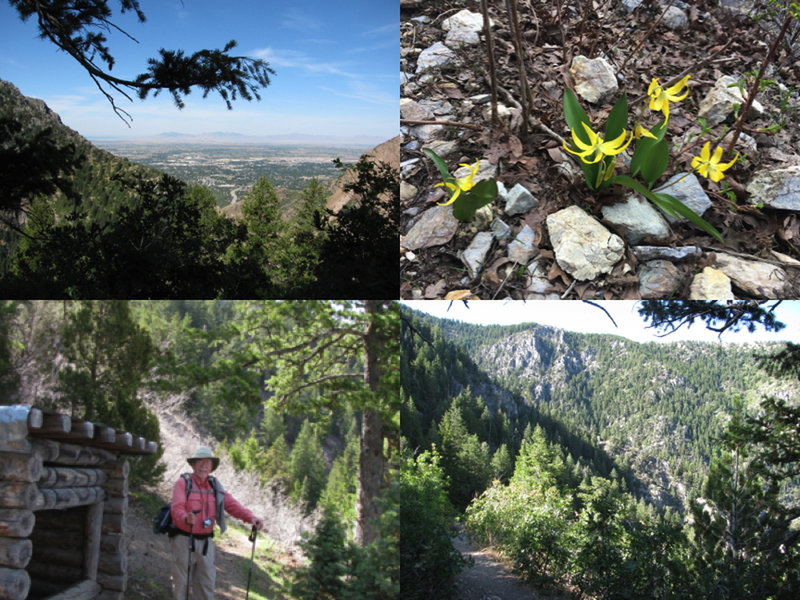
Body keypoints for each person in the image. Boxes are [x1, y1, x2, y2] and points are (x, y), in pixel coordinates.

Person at [170, 446, 264, 599]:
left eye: (207, 463)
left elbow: (232, 505)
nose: (203, 466)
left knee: (206, 584)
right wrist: (185, 518)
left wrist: (250, 518)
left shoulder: (215, 486)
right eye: (200, 462)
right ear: (193, 465)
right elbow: (176, 508)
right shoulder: (183, 483)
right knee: (181, 583)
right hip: (183, 539)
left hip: (206, 542)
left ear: (212, 467)